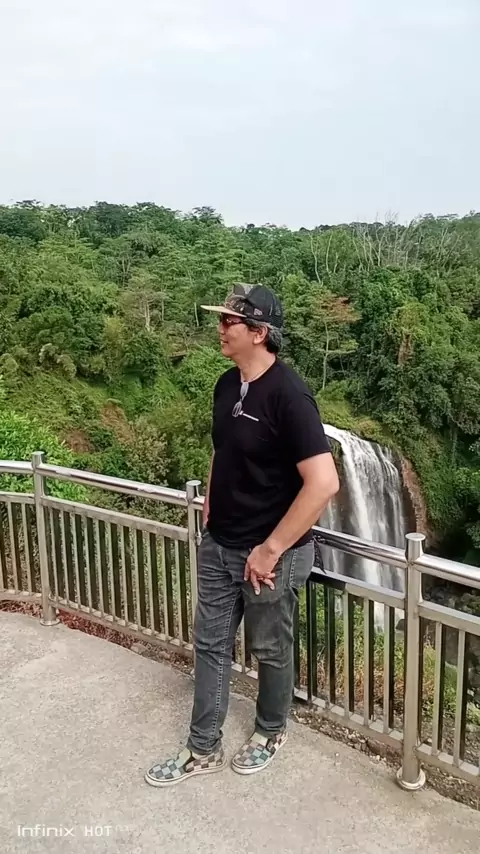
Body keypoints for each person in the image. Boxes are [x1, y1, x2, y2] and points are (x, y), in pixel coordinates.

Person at [145, 283, 339, 787]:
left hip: (271, 556)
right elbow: (222, 449)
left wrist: (270, 549)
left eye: (229, 321)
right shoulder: (226, 384)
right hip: (220, 543)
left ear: (259, 332)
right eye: (221, 319)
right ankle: (201, 748)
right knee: (210, 646)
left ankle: (271, 731)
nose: (220, 328)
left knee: (270, 649)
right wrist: (212, 505)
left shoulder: (290, 396)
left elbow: (324, 483)